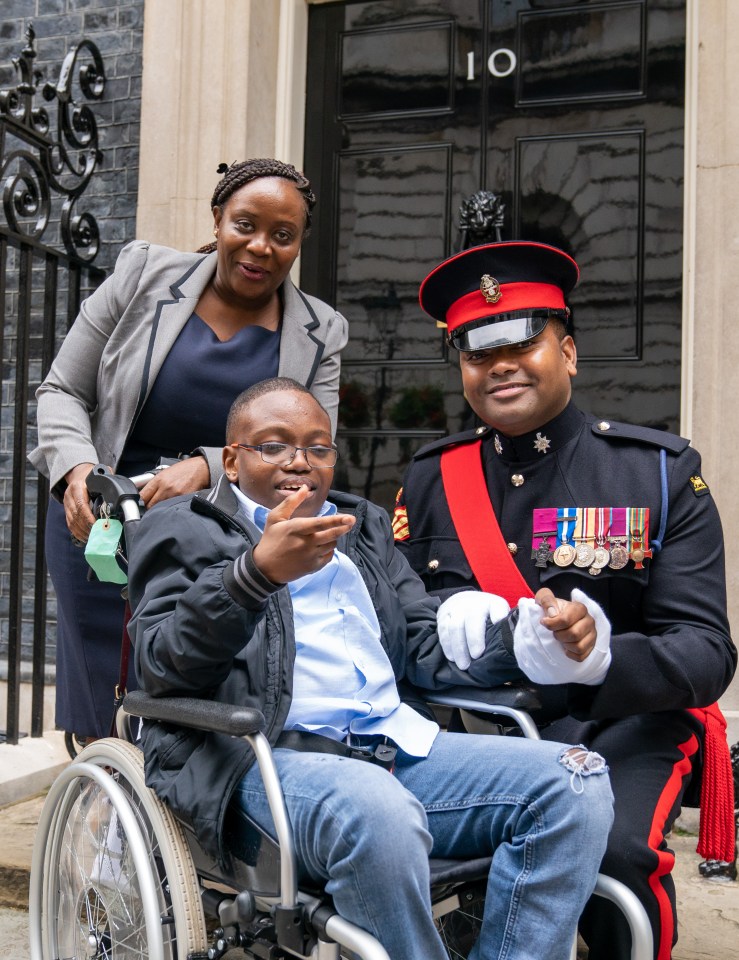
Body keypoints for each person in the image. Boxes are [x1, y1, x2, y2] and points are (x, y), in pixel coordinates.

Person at [127, 377, 614, 960]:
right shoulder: (181, 526)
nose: (299, 463)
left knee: (573, 779)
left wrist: (530, 637)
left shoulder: (363, 529)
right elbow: (160, 665)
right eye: (274, 446)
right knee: (376, 809)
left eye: (317, 448)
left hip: (389, 748)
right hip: (257, 762)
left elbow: (420, 644)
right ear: (231, 461)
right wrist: (254, 574)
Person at [393, 241, 738, 960]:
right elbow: (403, 620)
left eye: (523, 344)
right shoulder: (430, 478)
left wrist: (593, 660)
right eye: (477, 354)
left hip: (623, 725)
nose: (500, 367)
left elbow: (705, 654)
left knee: (612, 853)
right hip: (478, 730)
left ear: (570, 352)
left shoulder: (659, 474)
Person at [28, 159, 349, 742]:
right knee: (102, 709)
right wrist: (77, 471)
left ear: (300, 243)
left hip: (218, 543)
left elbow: (314, 446)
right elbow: (62, 390)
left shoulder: (320, 331)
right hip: (101, 523)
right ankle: (97, 822)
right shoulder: (143, 274)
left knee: (188, 710)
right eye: (245, 225)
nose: (260, 247)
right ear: (218, 219)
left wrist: (205, 465)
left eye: (283, 235)